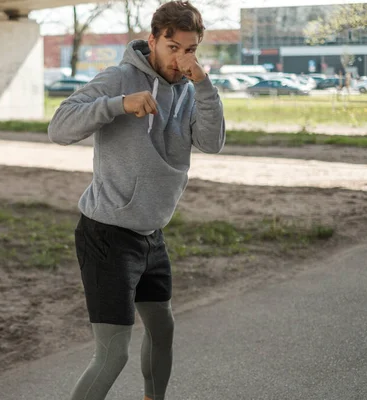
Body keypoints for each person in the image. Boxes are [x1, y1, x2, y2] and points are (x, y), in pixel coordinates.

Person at [48, 1, 225, 399]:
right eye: (173, 48)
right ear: (153, 40)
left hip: (151, 234)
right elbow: (58, 127)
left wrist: (204, 85)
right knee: (112, 354)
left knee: (162, 329)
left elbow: (211, 143)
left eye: (191, 49)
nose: (182, 59)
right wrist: (117, 105)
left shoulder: (192, 90)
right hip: (107, 234)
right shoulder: (119, 78)